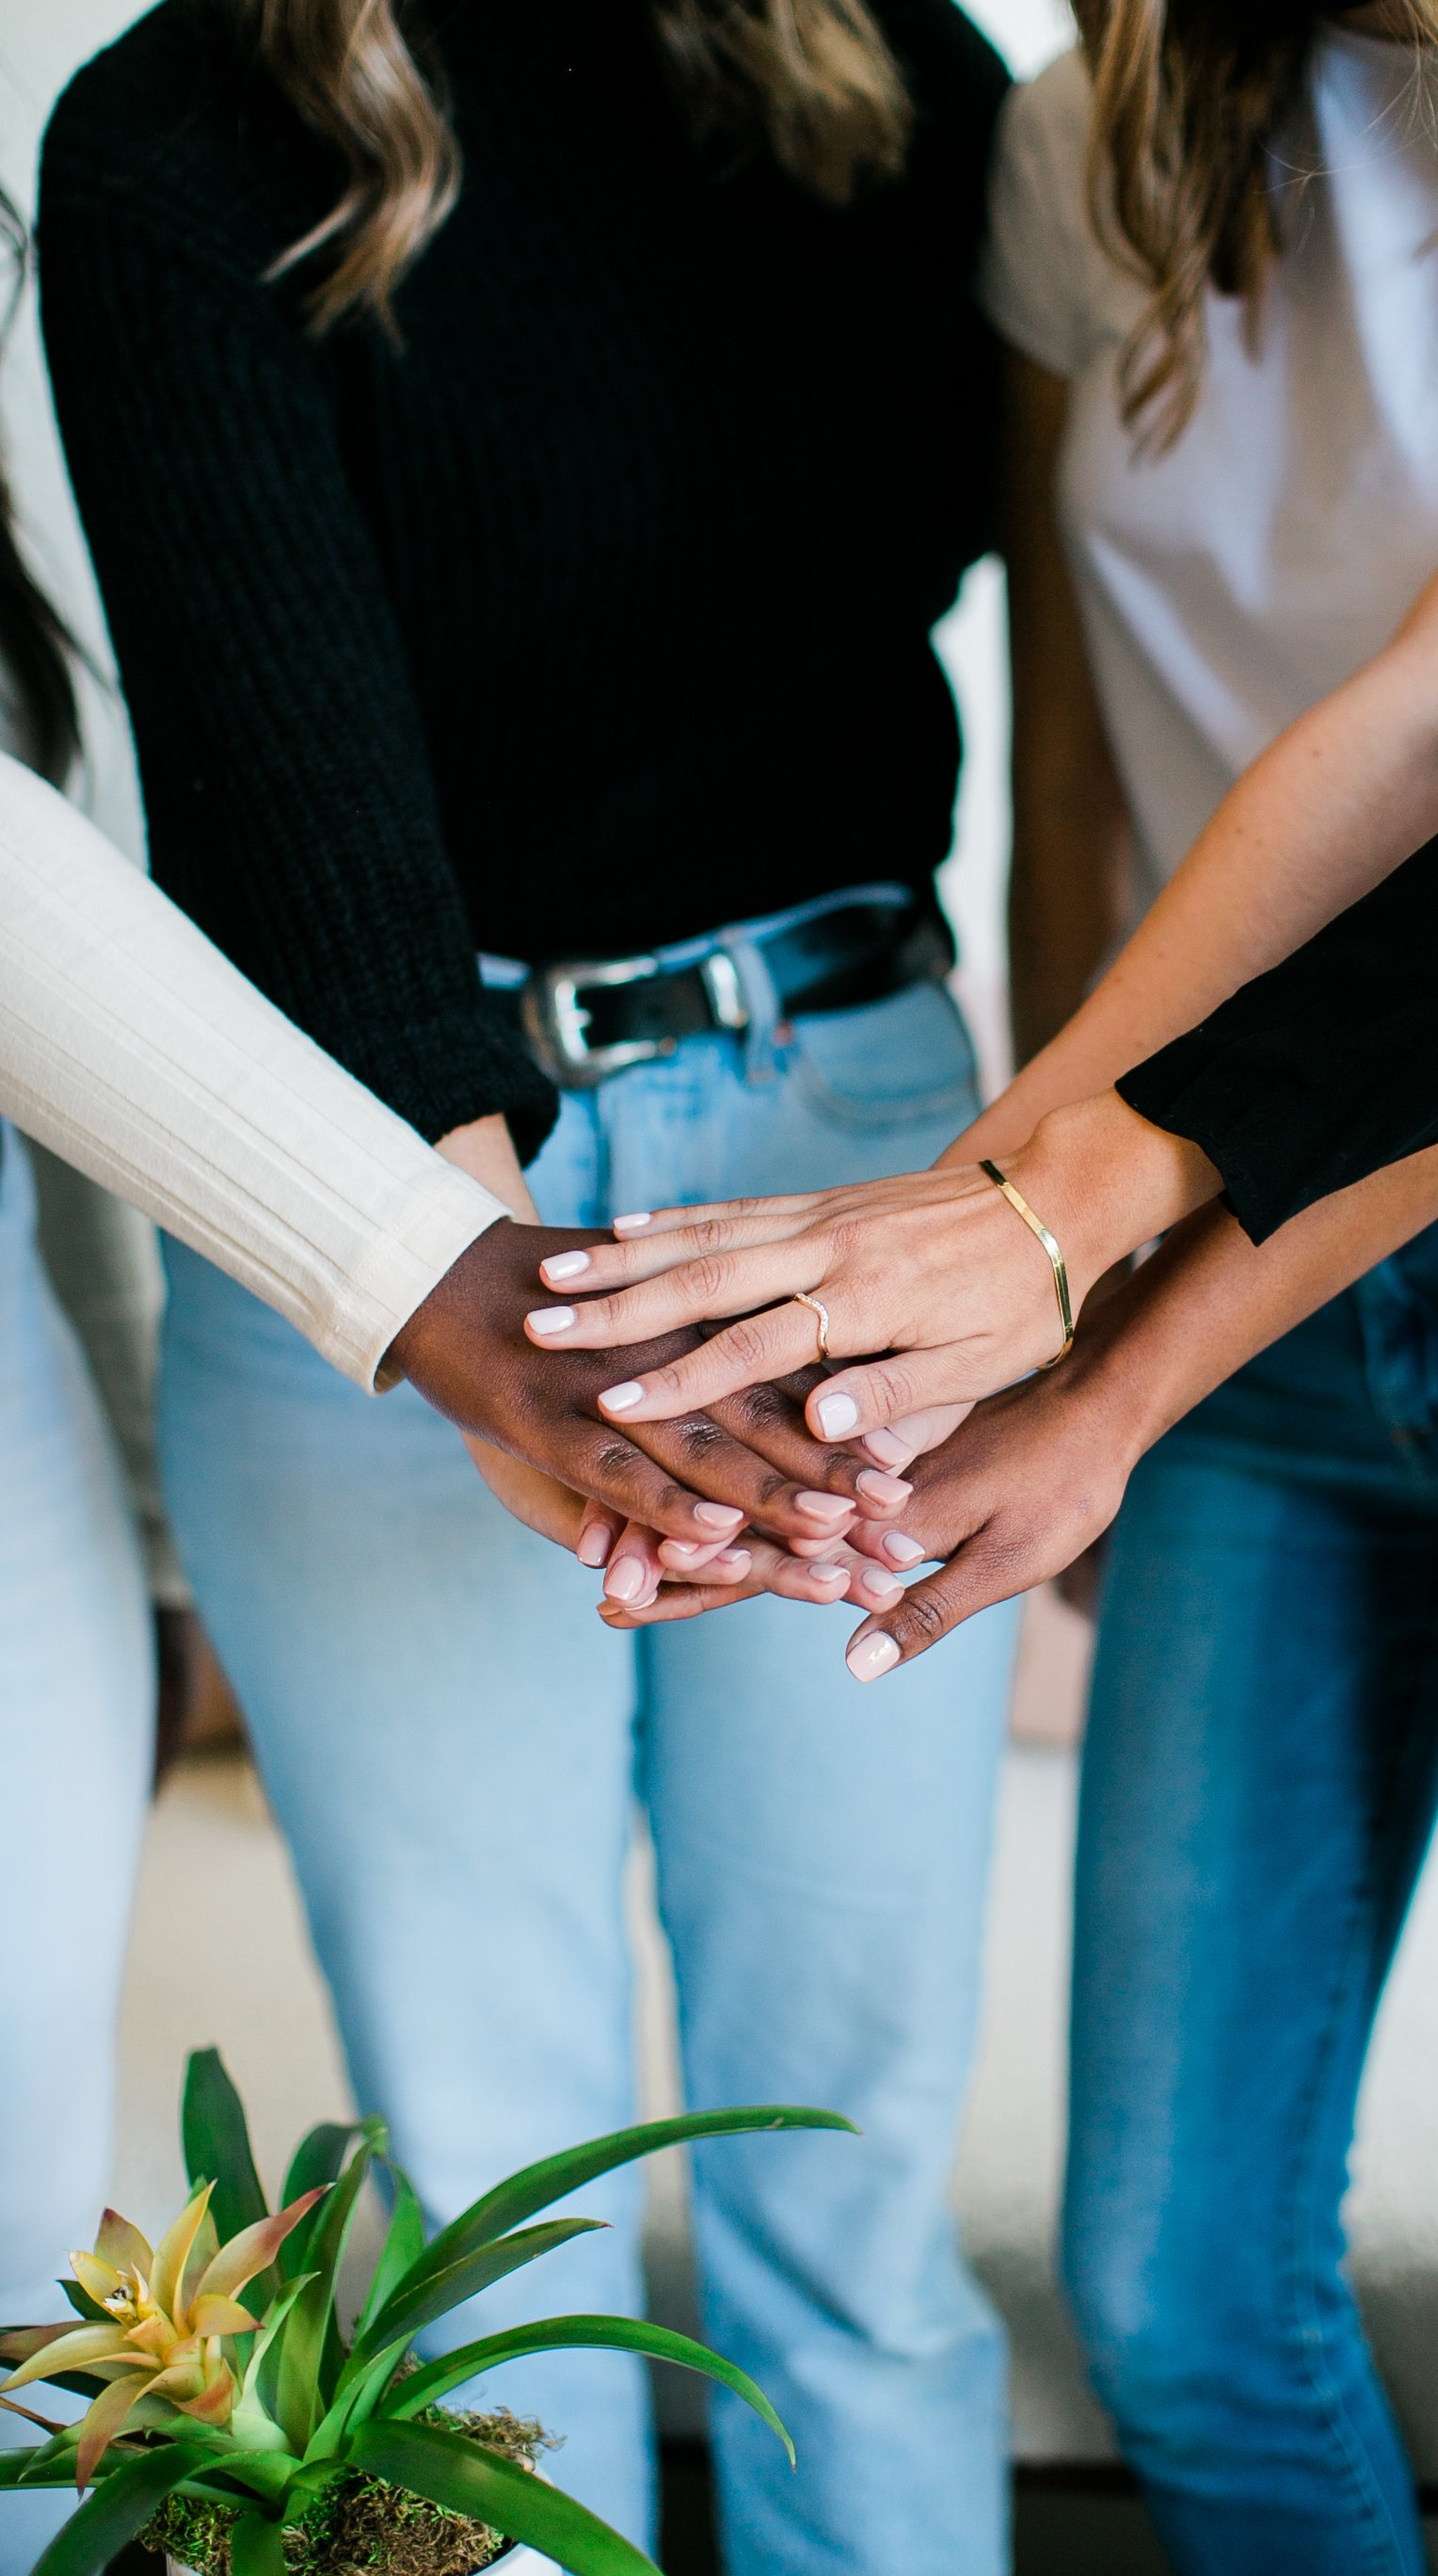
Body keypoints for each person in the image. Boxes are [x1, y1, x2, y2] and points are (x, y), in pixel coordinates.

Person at [531, 4, 1438, 2564]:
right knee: (1174, 2284)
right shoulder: (1083, 147)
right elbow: (1081, 773)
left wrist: (1046, 1249)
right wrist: (960, 1307)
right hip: (1210, 1248)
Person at [37, 3, 1022, 2566]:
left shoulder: (899, 75)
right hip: (365, 1192)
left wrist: (1057, 1236)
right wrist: (513, 1321)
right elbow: (280, 746)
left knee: (848, 2179)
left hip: (855, 1139)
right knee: (502, 2207)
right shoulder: (170, 136)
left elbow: (1088, 564)